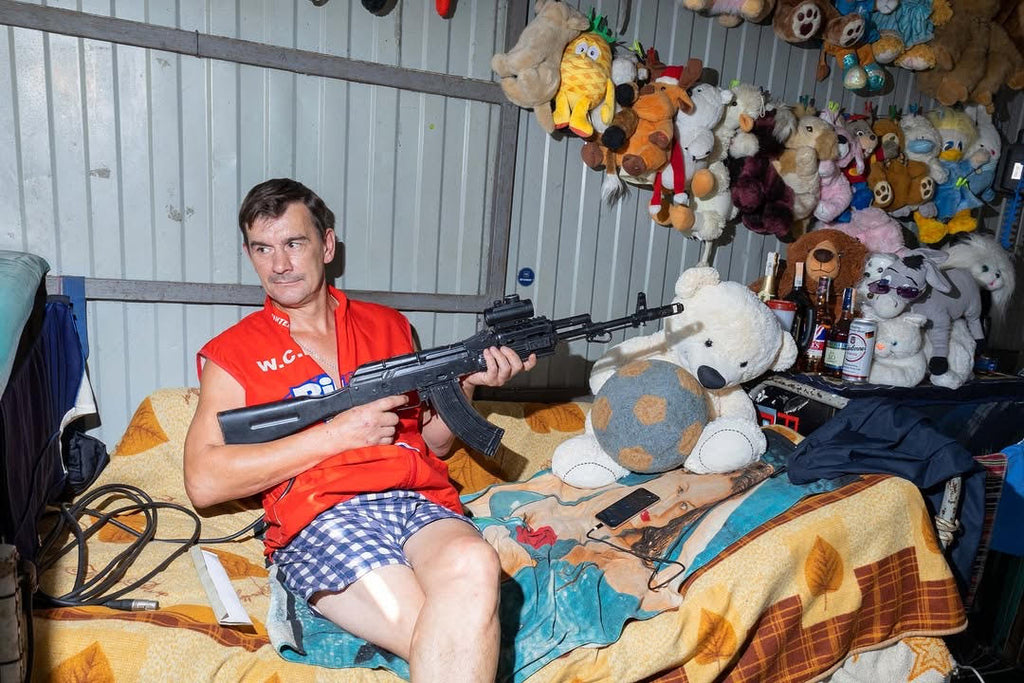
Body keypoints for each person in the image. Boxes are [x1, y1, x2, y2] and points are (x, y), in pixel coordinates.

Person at [183, 178, 536, 681]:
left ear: (327, 245)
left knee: (475, 560)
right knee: (443, 632)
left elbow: (433, 442)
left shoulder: (391, 326)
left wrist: (467, 385)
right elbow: (202, 481)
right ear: (249, 254)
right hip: (323, 513)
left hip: (419, 499)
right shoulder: (232, 353)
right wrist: (338, 436)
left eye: (294, 243)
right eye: (263, 249)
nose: (279, 264)